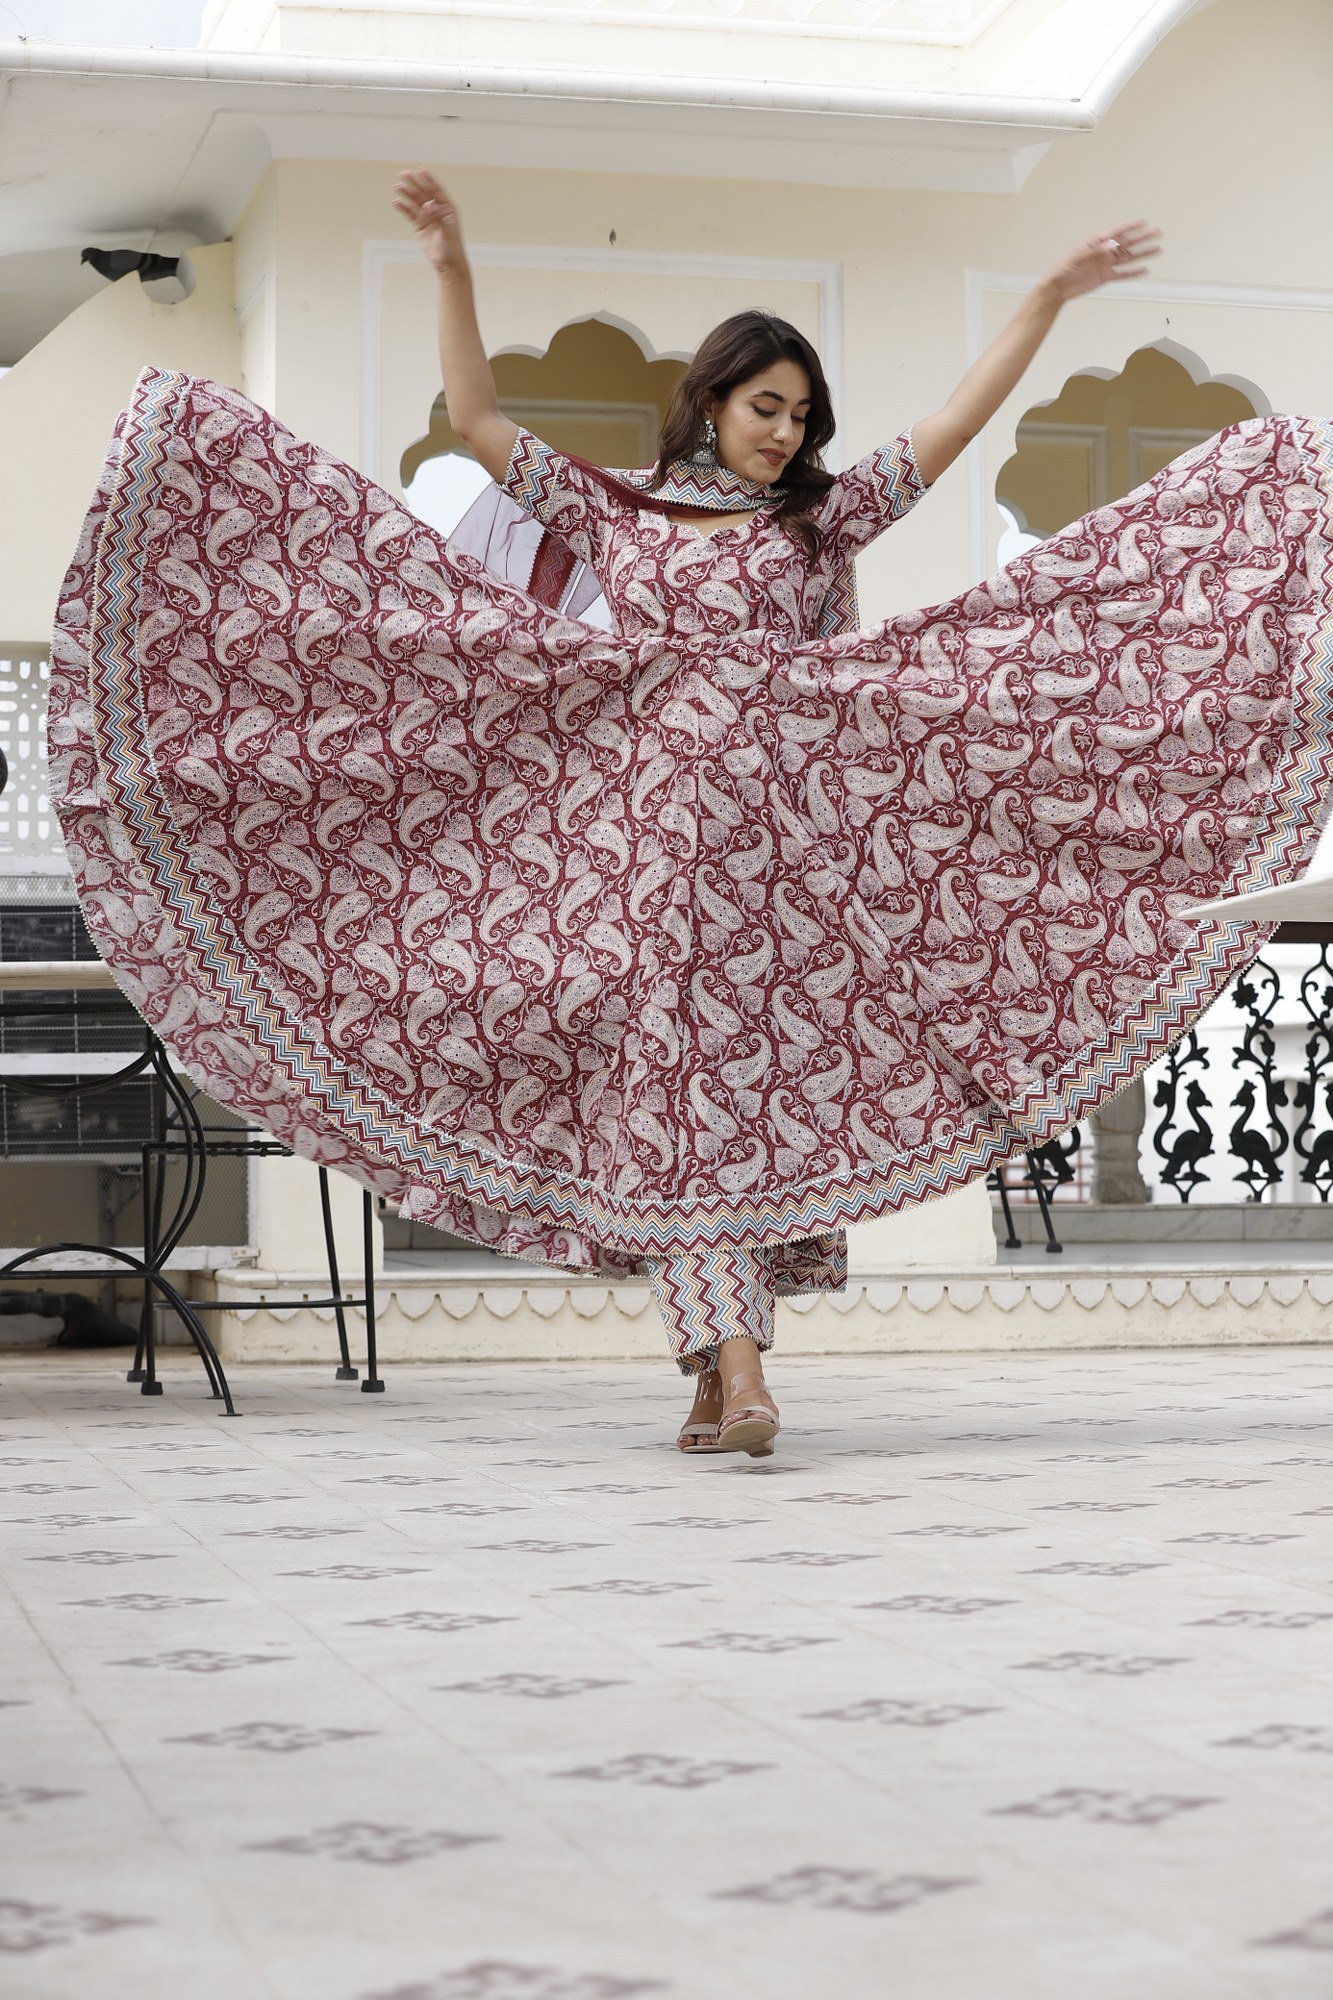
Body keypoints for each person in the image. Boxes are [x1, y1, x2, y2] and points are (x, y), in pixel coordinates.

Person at [50, 175, 1333, 1461]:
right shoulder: (615, 508)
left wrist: (1047, 295)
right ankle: (739, 1371)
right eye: (765, 405)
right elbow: (479, 417)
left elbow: (951, 424)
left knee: (728, 1097)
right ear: (710, 400)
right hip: (644, 850)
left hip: (781, 854)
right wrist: (448, 259)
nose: (784, 431)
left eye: (802, 415)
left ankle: (721, 1378)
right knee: (677, 1089)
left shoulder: (814, 521)